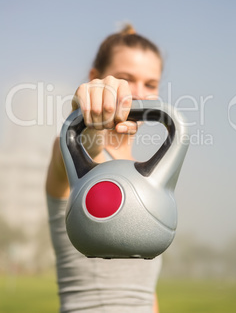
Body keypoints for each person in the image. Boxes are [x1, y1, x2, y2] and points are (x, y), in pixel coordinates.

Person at [46, 24, 164, 313]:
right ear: (95, 79)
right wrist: (88, 122)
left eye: (150, 84)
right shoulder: (73, 155)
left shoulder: (146, 177)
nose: (137, 92)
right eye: (125, 79)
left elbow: (146, 293)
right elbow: (83, 147)